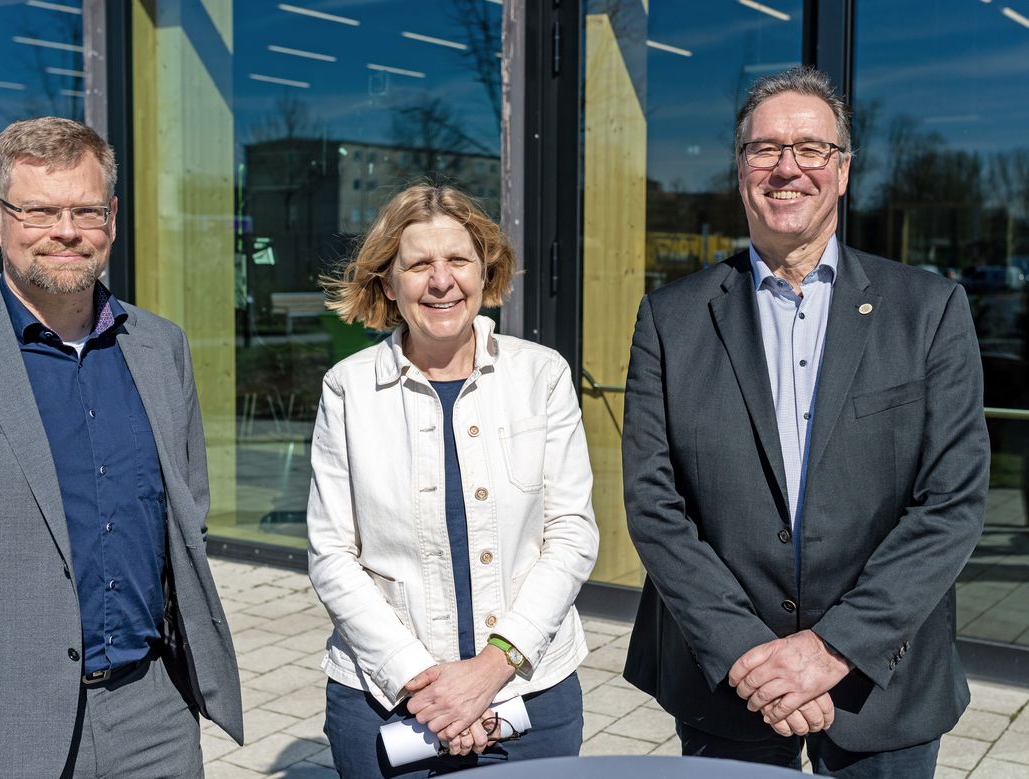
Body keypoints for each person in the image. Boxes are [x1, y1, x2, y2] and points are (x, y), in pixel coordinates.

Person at [621, 66, 989, 777]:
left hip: (883, 683)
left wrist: (830, 649)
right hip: (724, 681)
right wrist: (749, 656)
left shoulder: (929, 310)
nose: (787, 168)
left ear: (843, 171)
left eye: (811, 149)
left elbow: (953, 501)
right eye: (765, 149)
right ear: (740, 171)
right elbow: (653, 501)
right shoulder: (671, 319)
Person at [0, 117, 243, 778]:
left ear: (112, 217)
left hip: (153, 717)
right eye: (38, 210)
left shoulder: (160, 346)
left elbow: (185, 518)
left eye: (86, 210)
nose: (66, 230)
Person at [308, 183, 599, 777]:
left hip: (530, 696)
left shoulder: (541, 376)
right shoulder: (348, 388)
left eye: (458, 260)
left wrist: (490, 671)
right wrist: (430, 690)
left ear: (484, 270)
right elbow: (331, 555)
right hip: (386, 700)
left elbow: (571, 534)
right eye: (418, 264)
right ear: (388, 283)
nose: (441, 281)